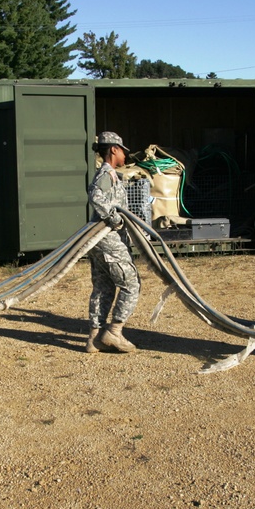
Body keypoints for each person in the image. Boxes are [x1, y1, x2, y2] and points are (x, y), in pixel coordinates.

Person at [85, 131, 141, 354]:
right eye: (123, 151)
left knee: (103, 287)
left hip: (98, 240)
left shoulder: (110, 174)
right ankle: (114, 332)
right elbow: (96, 196)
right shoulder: (107, 174)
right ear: (114, 150)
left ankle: (93, 338)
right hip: (109, 239)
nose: (125, 156)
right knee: (131, 283)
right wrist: (115, 219)